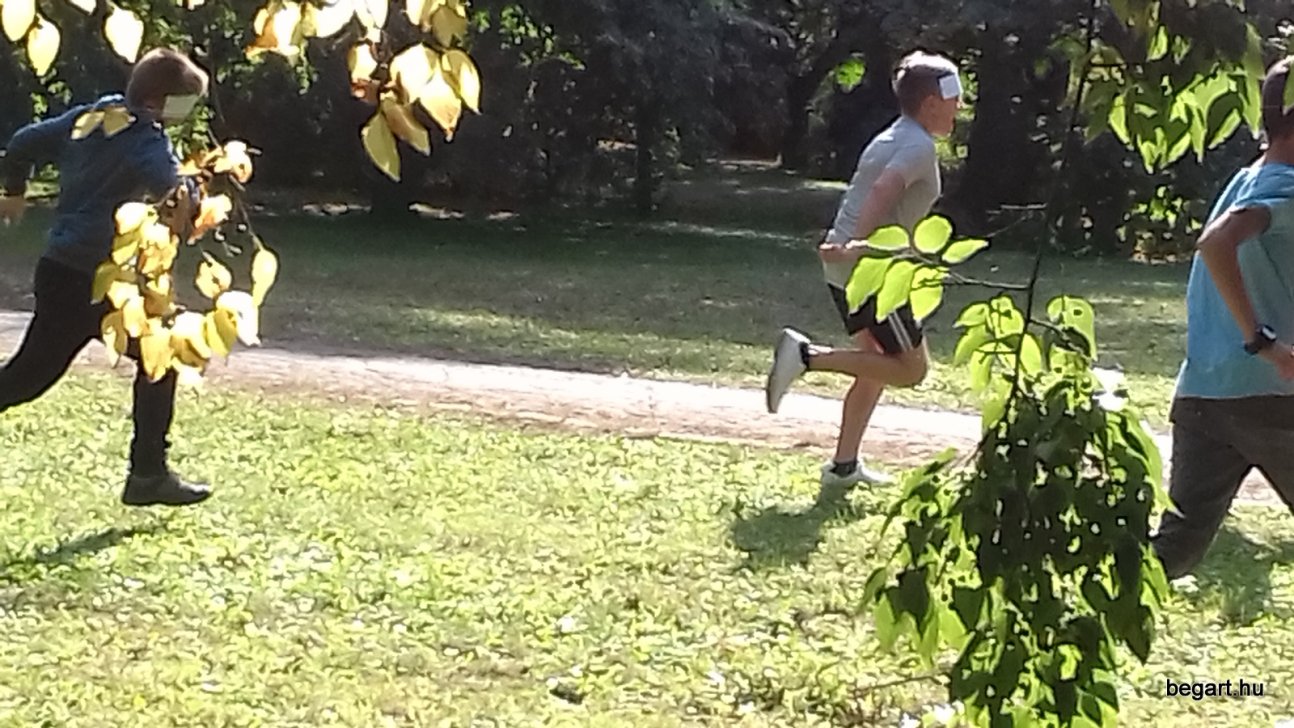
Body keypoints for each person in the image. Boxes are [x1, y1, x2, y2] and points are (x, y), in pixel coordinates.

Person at [0, 48, 213, 507]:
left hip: (62, 269)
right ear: (156, 102)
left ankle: (149, 474)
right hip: (92, 279)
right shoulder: (144, 138)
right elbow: (175, 194)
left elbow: (22, 141)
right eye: (184, 104)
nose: (186, 114)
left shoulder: (94, 116)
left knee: (27, 378)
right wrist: (201, 190)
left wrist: (14, 191)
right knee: (159, 356)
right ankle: (147, 476)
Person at [764, 50, 963, 489]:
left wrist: (847, 245)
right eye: (955, 98)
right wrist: (856, 245)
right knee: (910, 370)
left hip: (847, 270)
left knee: (874, 368)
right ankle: (805, 357)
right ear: (931, 102)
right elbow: (884, 189)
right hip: (871, 274)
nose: (960, 106)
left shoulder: (896, 134)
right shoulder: (918, 146)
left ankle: (843, 466)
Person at [1150, 57, 1294, 578]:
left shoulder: (1246, 179)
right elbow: (1216, 243)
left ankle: (1082, 608)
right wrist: (1263, 341)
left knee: (1174, 549)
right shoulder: (1287, 187)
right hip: (1273, 396)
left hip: (1206, 393)